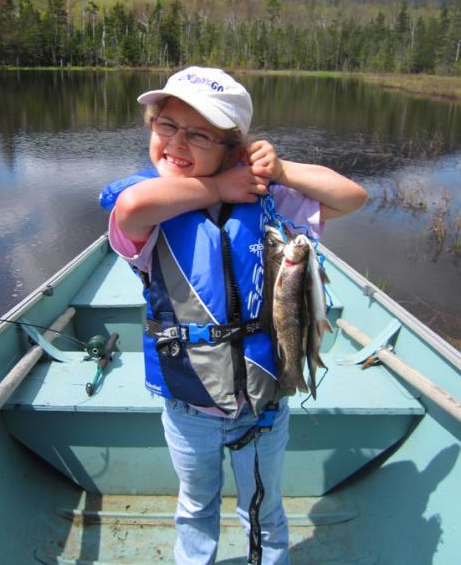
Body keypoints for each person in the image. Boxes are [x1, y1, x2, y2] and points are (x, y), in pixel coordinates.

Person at [100, 67, 367, 565]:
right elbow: (132, 205)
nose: (176, 143)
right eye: (165, 126)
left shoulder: (267, 201)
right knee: (195, 506)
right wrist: (219, 187)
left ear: (232, 146)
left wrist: (281, 170)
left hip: (262, 407)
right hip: (188, 409)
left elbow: (351, 197)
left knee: (263, 512)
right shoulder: (152, 207)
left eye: (198, 134)